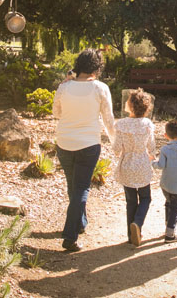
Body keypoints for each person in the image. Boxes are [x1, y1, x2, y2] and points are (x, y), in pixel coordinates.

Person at [53, 48, 116, 252]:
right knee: (81, 188)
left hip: (64, 142)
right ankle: (69, 237)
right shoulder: (100, 88)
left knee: (73, 186)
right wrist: (115, 141)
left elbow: (56, 113)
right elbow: (108, 119)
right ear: (96, 68)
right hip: (88, 143)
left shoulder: (64, 87)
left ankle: (80, 223)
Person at [114, 89, 155, 247]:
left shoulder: (122, 124)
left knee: (130, 201)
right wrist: (152, 155)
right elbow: (151, 147)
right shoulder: (147, 124)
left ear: (130, 105)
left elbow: (117, 148)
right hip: (142, 164)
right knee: (145, 197)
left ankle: (131, 236)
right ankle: (137, 223)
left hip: (127, 163)